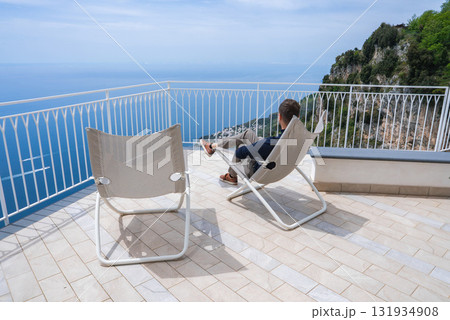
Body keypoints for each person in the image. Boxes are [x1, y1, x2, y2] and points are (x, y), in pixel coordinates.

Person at [200, 98, 300, 185]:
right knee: (248, 134)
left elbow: (240, 153)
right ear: (298, 117)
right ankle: (213, 146)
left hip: (261, 172)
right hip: (279, 169)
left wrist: (259, 144)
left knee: (240, 145)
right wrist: (259, 144)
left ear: (280, 117)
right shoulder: (299, 138)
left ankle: (230, 174)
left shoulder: (271, 143)